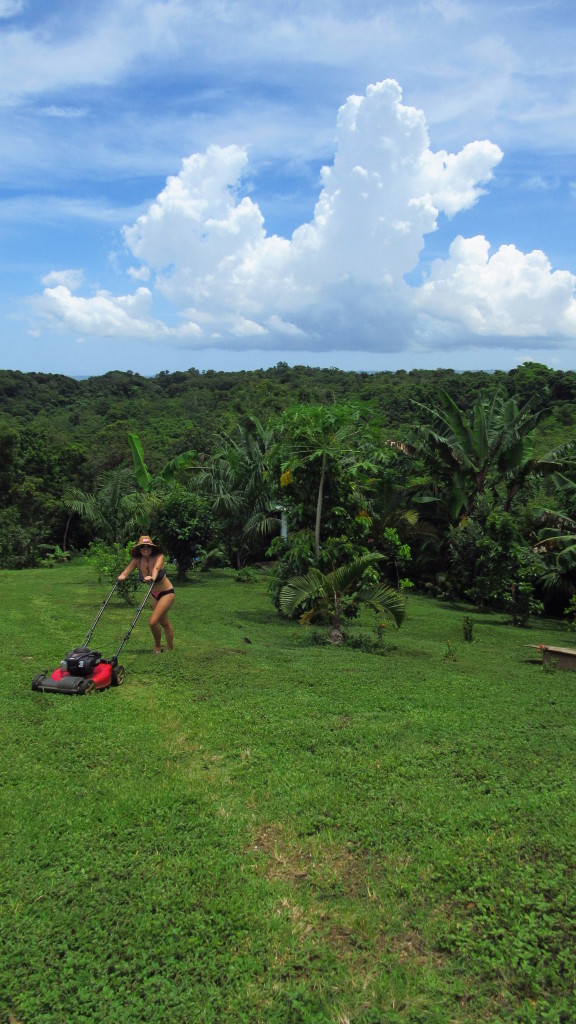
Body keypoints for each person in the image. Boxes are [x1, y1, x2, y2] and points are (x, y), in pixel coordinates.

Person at [118, 535, 175, 654]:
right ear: (139, 549)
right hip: (154, 594)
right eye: (143, 547)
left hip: (166, 592)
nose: (146, 549)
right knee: (164, 622)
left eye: (148, 546)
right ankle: (170, 648)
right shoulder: (136, 561)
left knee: (153, 622)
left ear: (151, 548)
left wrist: (152, 577)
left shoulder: (159, 557)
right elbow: (127, 571)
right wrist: (123, 576)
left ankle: (158, 647)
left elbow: (156, 568)